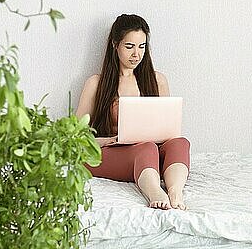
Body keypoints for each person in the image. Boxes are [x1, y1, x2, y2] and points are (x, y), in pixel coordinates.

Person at [76, 14, 190, 210]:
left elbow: (168, 130)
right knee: (146, 148)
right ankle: (155, 191)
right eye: (129, 47)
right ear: (115, 45)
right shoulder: (96, 83)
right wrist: (108, 140)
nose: (136, 54)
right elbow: (74, 136)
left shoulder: (158, 80)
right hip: (111, 152)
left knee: (180, 143)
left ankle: (175, 191)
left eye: (142, 46)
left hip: (149, 151)